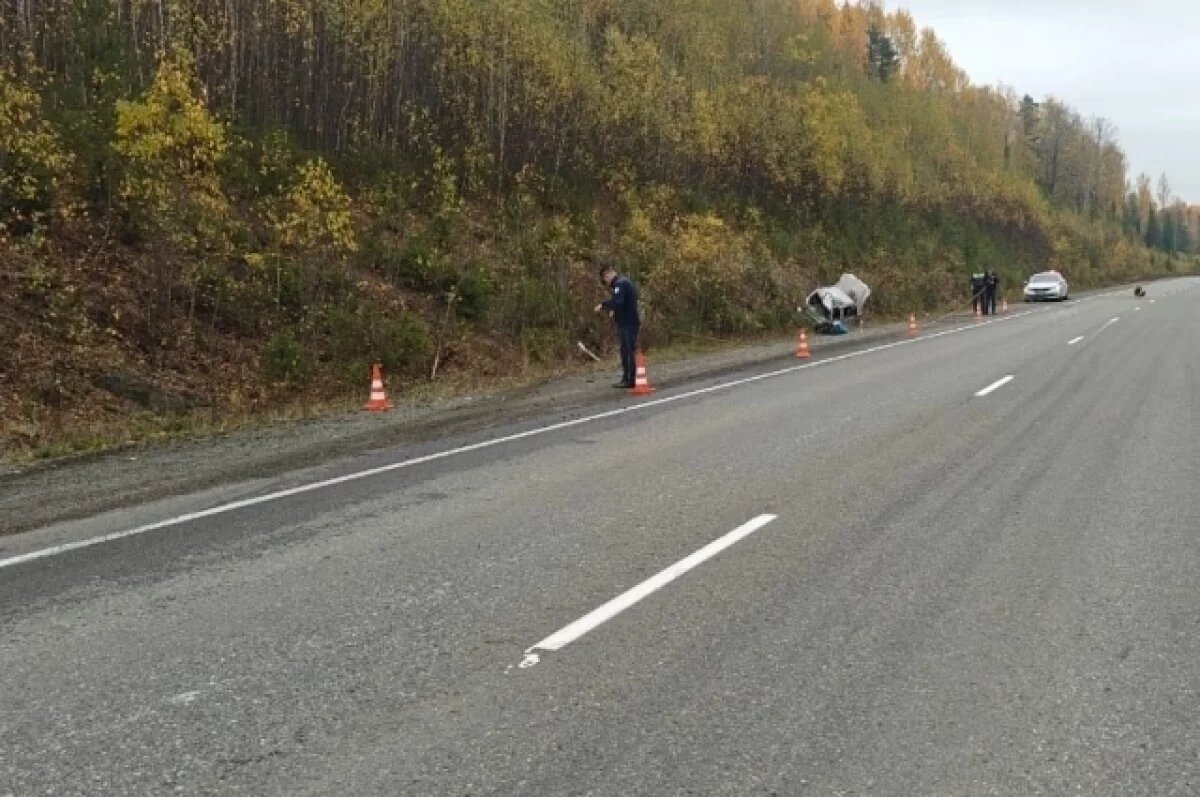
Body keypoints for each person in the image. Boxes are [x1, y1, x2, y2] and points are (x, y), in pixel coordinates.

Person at [594, 263, 641, 388]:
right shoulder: (624, 282)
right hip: (628, 322)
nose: (607, 283)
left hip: (627, 323)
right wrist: (614, 310)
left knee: (627, 351)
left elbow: (618, 301)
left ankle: (629, 379)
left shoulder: (620, 284)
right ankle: (628, 377)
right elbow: (624, 302)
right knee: (626, 350)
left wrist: (603, 305)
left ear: (607, 274)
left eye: (605, 280)